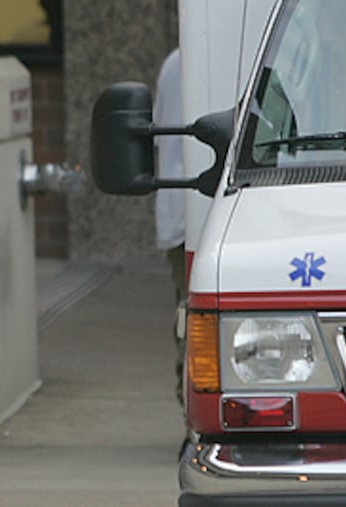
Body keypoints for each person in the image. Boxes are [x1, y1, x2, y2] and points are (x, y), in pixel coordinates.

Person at [153, 47, 186, 406]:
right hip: (188, 216)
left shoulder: (175, 61)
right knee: (193, 317)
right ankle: (191, 406)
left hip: (184, 211)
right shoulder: (182, 62)